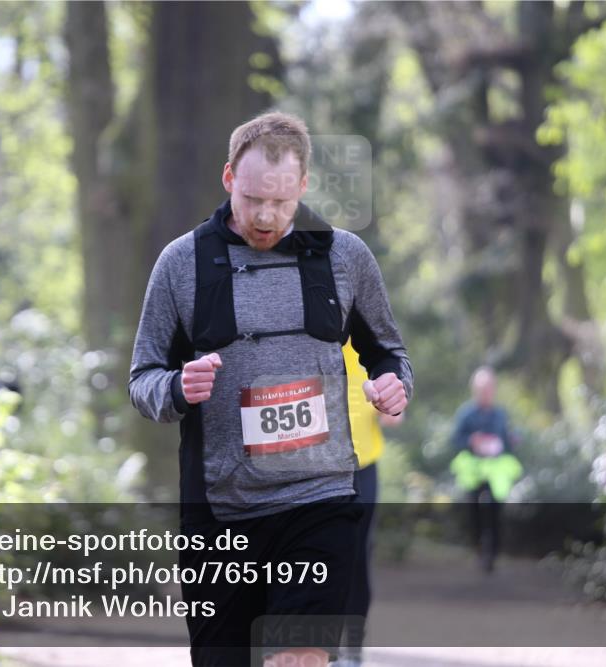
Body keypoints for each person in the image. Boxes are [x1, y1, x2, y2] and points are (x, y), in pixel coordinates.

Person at [129, 111, 413, 667]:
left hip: (320, 498)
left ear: (303, 187)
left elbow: (389, 352)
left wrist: (394, 384)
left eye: (281, 203)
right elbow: (142, 380)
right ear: (229, 177)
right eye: (253, 198)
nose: (265, 216)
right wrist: (177, 387)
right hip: (219, 514)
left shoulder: (344, 256)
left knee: (299, 658)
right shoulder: (181, 264)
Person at [338, 341, 402, 667]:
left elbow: (395, 415)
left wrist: (386, 404)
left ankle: (351, 645)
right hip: (316, 467)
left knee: (357, 555)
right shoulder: (307, 334)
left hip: (363, 465)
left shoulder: (367, 338)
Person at [449, 366, 522, 573]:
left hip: (496, 470)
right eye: (482, 389)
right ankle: (478, 547)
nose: (486, 392)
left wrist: (511, 441)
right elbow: (455, 439)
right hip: (472, 469)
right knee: (473, 510)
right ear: (475, 390)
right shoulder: (466, 413)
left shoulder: (501, 414)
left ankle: (494, 551)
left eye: (489, 388)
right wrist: (472, 441)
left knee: (495, 509)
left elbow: (508, 439)